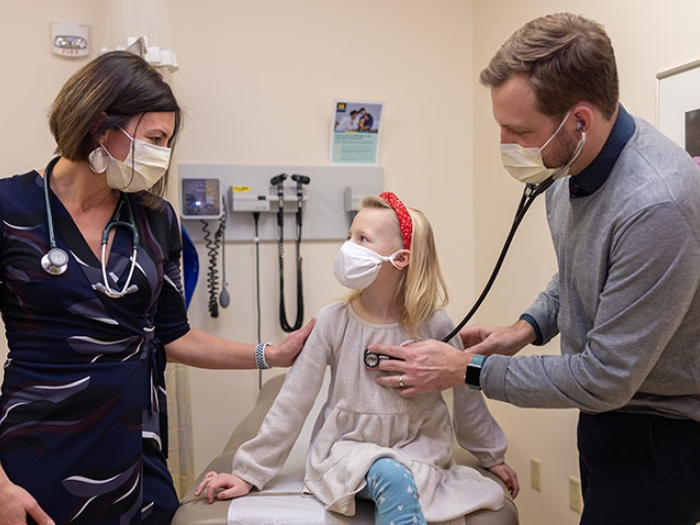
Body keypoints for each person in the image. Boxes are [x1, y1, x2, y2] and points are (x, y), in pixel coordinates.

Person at [367, 13, 700, 525]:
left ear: (579, 122)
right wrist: (526, 328)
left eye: (518, 130)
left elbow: (605, 378)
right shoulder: (566, 167)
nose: (506, 144)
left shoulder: (657, 207)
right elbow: (579, 273)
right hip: (607, 419)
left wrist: (464, 370)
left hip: (663, 431)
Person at [0, 50, 314, 525]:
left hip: (134, 448)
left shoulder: (155, 218)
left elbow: (174, 335)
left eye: (167, 141)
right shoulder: (8, 210)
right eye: (154, 138)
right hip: (36, 450)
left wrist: (271, 354)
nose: (162, 155)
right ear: (100, 123)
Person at [194, 193, 519, 525]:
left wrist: (490, 455)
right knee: (391, 475)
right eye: (350, 236)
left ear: (401, 258)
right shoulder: (334, 321)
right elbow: (293, 401)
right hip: (348, 447)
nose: (349, 246)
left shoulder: (434, 324)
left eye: (362, 239)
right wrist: (249, 472)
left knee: (399, 472)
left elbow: (466, 392)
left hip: (420, 446)